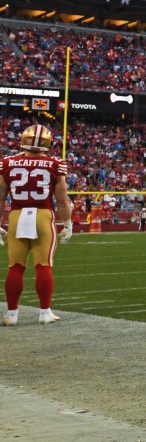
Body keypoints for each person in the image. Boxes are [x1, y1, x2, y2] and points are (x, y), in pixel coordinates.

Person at [1, 124, 73, 325]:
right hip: (42, 215)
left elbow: (0, 197)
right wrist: (68, 223)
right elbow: (62, 199)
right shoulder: (54, 164)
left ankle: (11, 315)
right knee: (43, 265)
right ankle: (44, 313)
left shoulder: (7, 162)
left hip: (16, 215)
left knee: (15, 266)